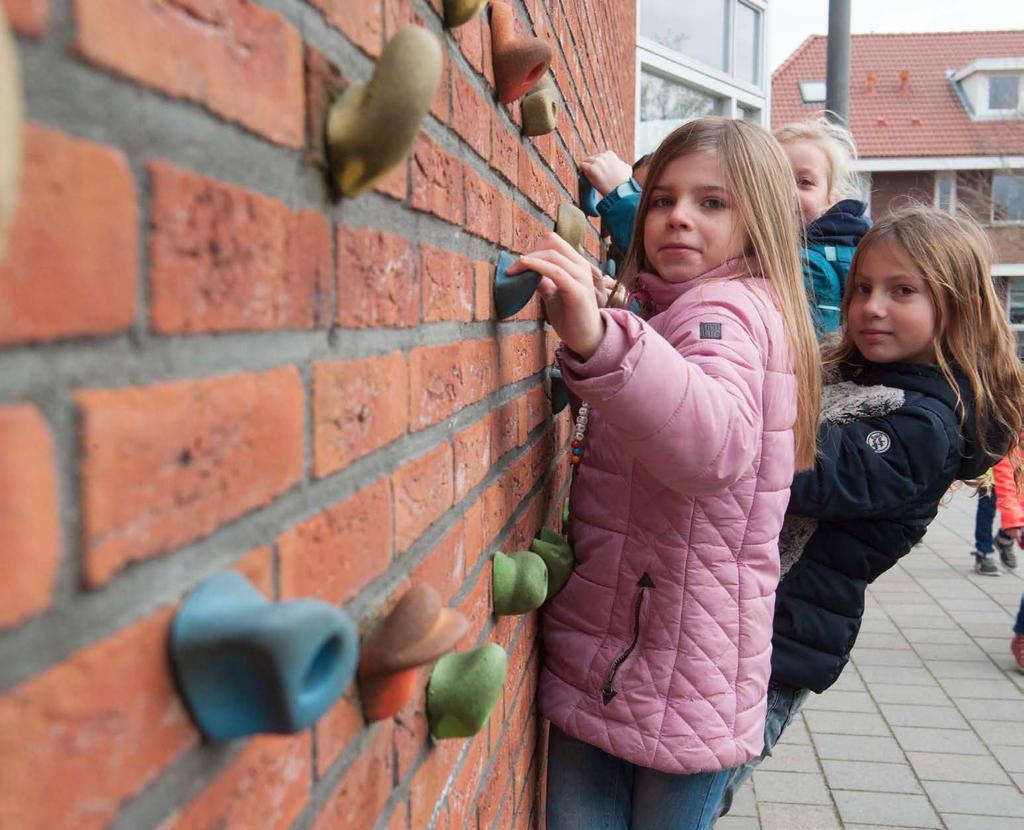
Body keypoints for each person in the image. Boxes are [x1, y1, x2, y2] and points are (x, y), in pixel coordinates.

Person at [508, 117, 822, 830]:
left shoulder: (725, 314)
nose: (678, 215)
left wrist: (596, 338)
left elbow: (712, 443)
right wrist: (619, 308)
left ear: (760, 218)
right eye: (661, 199)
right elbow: (676, 357)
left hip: (665, 660)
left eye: (712, 203)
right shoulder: (717, 304)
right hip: (664, 659)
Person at [715, 205, 1024, 817]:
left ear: (956, 306)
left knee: (695, 800)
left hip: (779, 647)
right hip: (742, 624)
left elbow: (798, 471)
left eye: (901, 291)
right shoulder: (855, 376)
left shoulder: (925, 426)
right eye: (862, 288)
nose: (871, 307)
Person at [774, 118, 871, 337]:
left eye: (805, 182)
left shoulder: (807, 266)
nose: (788, 192)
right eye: (774, 179)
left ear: (830, 199)